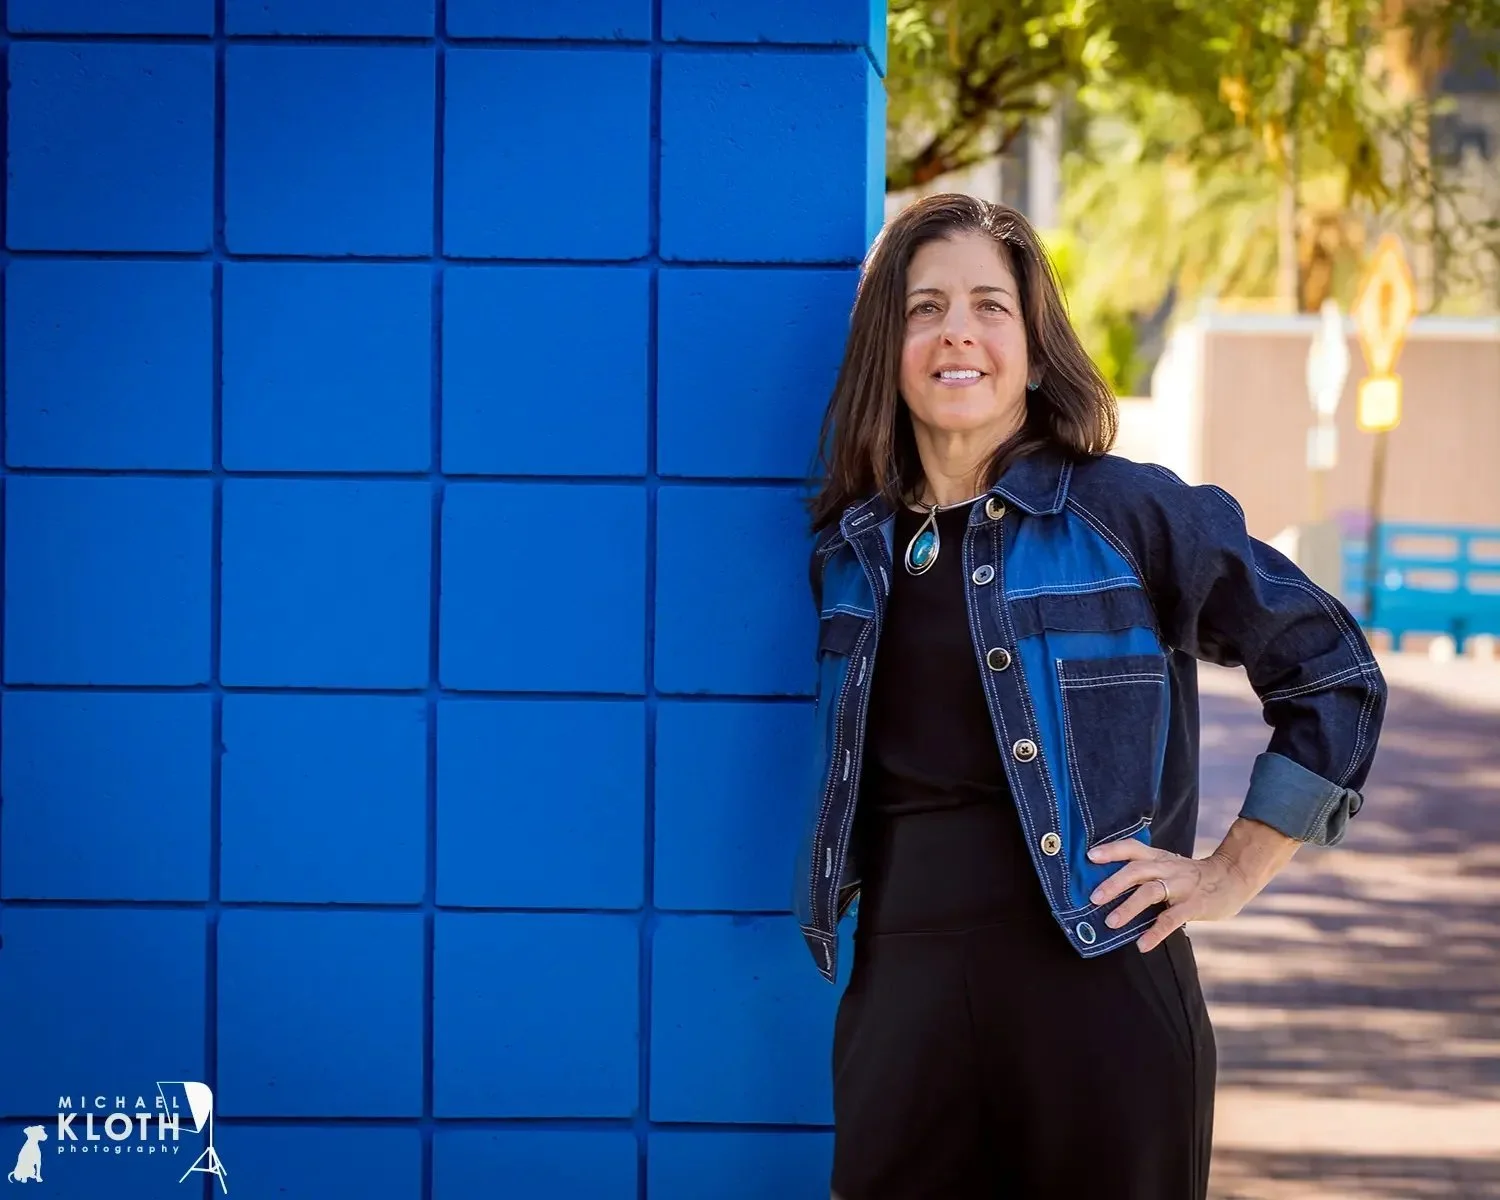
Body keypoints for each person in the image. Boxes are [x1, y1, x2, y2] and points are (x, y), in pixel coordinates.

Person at [793, 193, 1387, 1199]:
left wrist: (1233, 872)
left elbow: (1329, 667)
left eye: (992, 305)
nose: (958, 333)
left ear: (1033, 347)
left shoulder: (1126, 512)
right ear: (886, 345)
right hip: (904, 995)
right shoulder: (852, 552)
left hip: (1098, 987)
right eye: (924, 306)